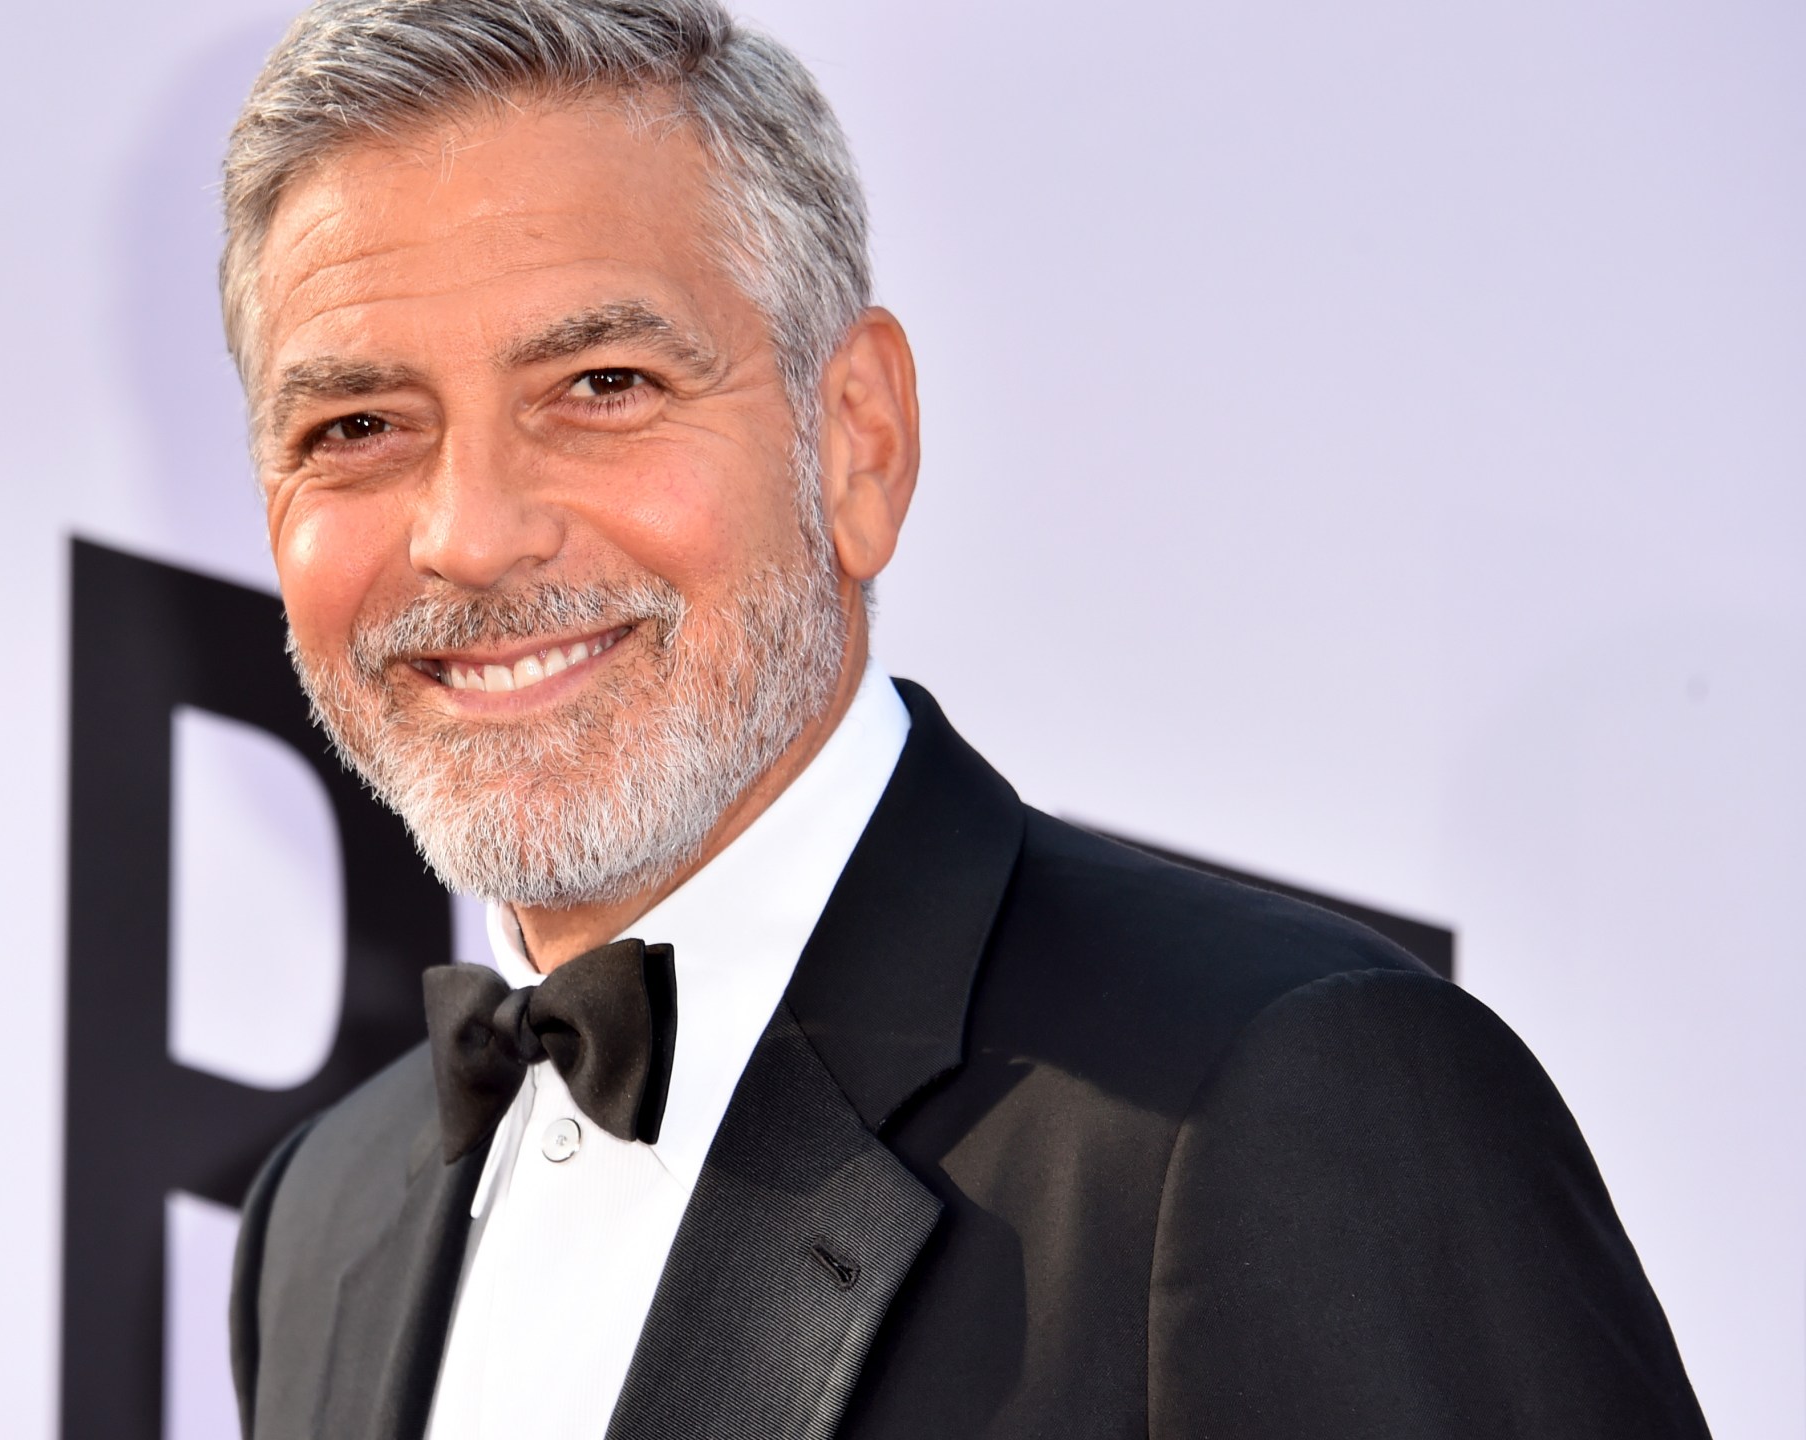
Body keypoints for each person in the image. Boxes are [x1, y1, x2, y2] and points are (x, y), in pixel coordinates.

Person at [215, 2, 1711, 1436]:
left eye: (603, 384)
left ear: (858, 442)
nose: (471, 537)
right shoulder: (319, 1221)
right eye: (357, 427)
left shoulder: (1279, 1101)